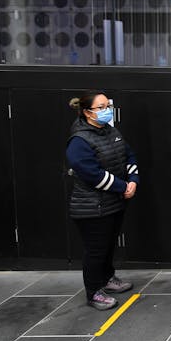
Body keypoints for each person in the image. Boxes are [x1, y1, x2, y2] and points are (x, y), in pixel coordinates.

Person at [66, 91, 138, 310]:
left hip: (114, 203)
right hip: (91, 207)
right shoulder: (79, 140)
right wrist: (123, 186)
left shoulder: (110, 131)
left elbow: (129, 155)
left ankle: (108, 279)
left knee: (108, 246)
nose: (107, 110)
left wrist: (133, 179)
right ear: (87, 112)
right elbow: (92, 174)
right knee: (95, 250)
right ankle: (93, 292)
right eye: (101, 107)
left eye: (108, 105)